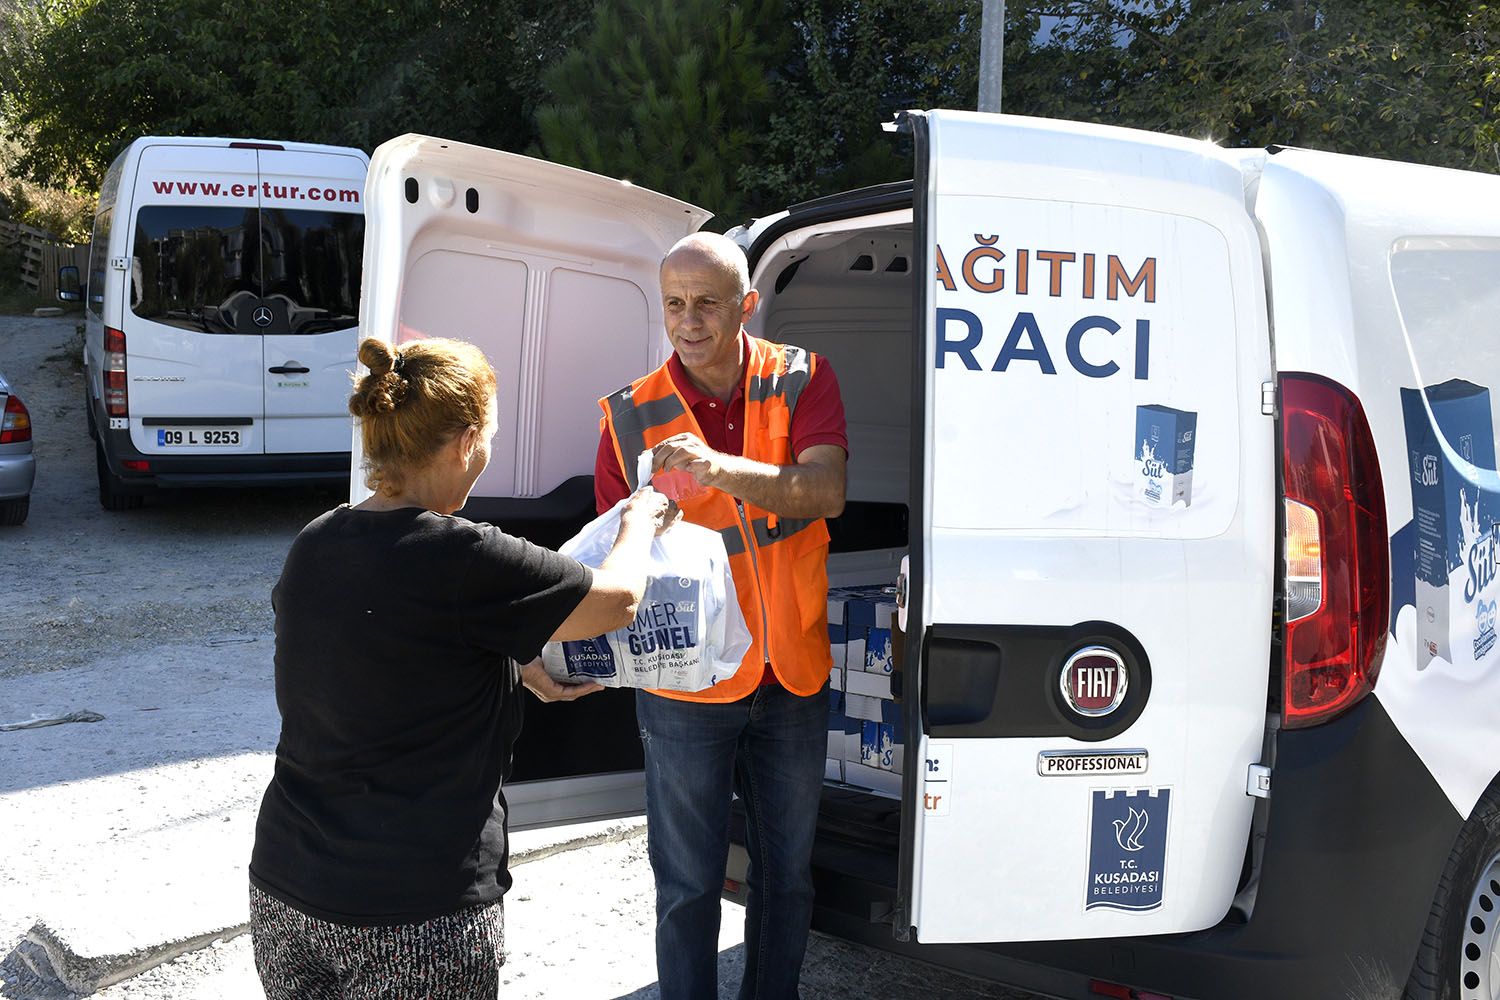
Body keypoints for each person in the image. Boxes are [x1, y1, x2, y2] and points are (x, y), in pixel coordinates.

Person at [249, 336, 672, 1000]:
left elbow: (384, 653)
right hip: (415, 907)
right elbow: (618, 600)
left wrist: (513, 660)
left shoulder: (317, 539)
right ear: (464, 441)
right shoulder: (465, 555)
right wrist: (642, 516)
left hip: (288, 889)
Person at [594, 231, 849, 1000]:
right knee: (687, 888)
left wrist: (717, 470)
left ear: (747, 304)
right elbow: (618, 559)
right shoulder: (626, 417)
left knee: (787, 881)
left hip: (791, 673)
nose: (690, 319)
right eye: (674, 303)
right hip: (686, 687)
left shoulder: (804, 378)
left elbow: (824, 492)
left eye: (708, 302)